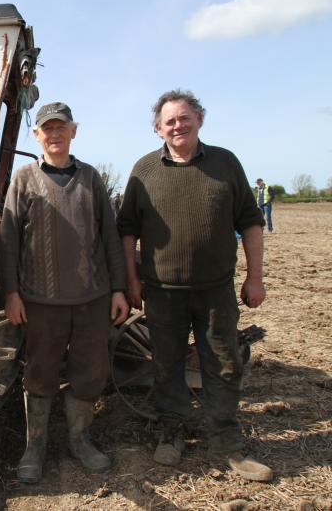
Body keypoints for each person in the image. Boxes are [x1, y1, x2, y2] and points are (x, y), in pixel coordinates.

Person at [117, 89, 272, 482]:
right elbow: (127, 232)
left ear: (199, 120)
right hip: (162, 292)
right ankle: (171, 431)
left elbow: (250, 223)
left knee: (223, 362)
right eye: (169, 121)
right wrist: (131, 279)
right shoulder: (144, 171)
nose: (178, 126)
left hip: (216, 289)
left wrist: (254, 277)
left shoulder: (225, 163)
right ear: (157, 129)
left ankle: (226, 441)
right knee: (166, 364)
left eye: (185, 118)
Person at [0, 102, 128, 482]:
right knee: (39, 373)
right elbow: (7, 242)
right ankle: (34, 447)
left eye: (61, 128)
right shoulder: (23, 180)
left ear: (74, 131)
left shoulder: (91, 179)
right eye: (47, 129)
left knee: (90, 372)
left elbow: (110, 237)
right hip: (40, 302)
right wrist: (12, 293)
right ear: (36, 136)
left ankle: (80, 440)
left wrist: (118, 289)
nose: (54, 135)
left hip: (92, 299)